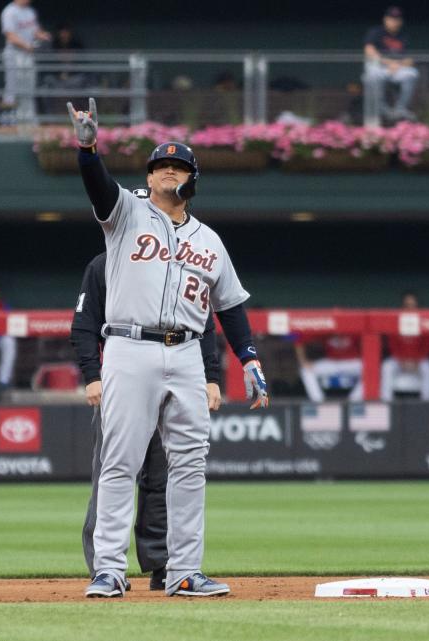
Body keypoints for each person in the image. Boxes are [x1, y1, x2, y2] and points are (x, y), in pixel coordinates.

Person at [67, 98, 269, 598]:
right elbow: (97, 184)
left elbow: (230, 307)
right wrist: (89, 147)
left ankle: (183, 570)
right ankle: (109, 569)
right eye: (160, 167)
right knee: (120, 459)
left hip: (186, 352)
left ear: (191, 180)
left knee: (190, 463)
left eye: (177, 167)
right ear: (149, 176)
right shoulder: (124, 213)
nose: (167, 173)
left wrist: (249, 358)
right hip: (129, 347)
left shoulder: (210, 240)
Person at [72, 246, 223, 592]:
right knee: (114, 470)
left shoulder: (180, 261)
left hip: (176, 378)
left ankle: (164, 565)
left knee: (163, 477)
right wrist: (93, 375)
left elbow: (203, 324)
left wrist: (210, 376)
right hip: (126, 378)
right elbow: (84, 325)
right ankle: (105, 568)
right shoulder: (104, 263)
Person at [363, 6, 419, 122]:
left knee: (412, 74)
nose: (394, 21)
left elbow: (410, 59)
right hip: (379, 67)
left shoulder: (404, 36)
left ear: (401, 21)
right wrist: (389, 63)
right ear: (385, 19)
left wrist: (399, 64)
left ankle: (400, 109)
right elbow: (369, 51)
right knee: (372, 76)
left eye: (397, 19)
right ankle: (384, 110)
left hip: (397, 69)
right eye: (392, 18)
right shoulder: (376, 32)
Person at [0, 0, 50, 121]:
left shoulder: (30, 11)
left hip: (28, 55)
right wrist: (28, 46)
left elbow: (35, 30)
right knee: (13, 88)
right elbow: (10, 36)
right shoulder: (9, 11)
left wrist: (42, 35)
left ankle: (27, 118)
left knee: (29, 88)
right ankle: (9, 120)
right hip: (14, 53)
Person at [380, 292, 429, 401]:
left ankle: (427, 402)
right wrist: (401, 360)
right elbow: (393, 346)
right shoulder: (396, 321)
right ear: (402, 307)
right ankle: (386, 402)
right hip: (399, 360)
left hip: (419, 360)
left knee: (428, 368)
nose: (411, 309)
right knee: (386, 367)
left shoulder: (424, 321)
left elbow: (427, 346)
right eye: (407, 306)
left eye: (413, 306)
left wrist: (417, 360)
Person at [296, 335, 363, 402]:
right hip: (332, 362)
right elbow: (297, 337)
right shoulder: (327, 327)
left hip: (352, 362)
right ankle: (319, 402)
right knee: (305, 370)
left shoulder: (354, 329)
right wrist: (303, 361)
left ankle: (353, 402)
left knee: (371, 370)